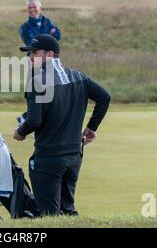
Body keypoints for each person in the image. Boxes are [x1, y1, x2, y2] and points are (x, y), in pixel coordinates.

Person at [13, 34, 111, 216]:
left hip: (49, 157)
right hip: (74, 157)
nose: (30, 57)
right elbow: (104, 98)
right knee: (68, 212)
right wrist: (92, 127)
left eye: (34, 53)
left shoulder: (37, 81)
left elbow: (35, 121)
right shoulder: (78, 76)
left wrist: (20, 132)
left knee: (50, 217)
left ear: (50, 54)